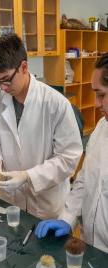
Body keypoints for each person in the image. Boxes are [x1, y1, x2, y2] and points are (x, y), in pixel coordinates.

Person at [0, 34, 83, 219]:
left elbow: (68, 159)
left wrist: (28, 176)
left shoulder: (56, 104)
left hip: (46, 203)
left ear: (24, 67)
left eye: (6, 79)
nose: (2, 88)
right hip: (11, 200)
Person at [35, 54, 108, 256]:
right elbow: (85, 180)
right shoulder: (102, 128)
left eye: (101, 94)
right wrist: (66, 218)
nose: (96, 103)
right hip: (91, 248)